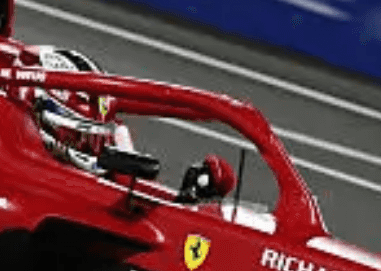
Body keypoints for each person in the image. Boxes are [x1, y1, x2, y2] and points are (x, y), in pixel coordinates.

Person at [20, 44, 237, 201]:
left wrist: (183, 200)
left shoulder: (112, 135)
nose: (94, 146)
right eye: (82, 135)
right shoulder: (17, 149)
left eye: (96, 136)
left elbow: (130, 186)